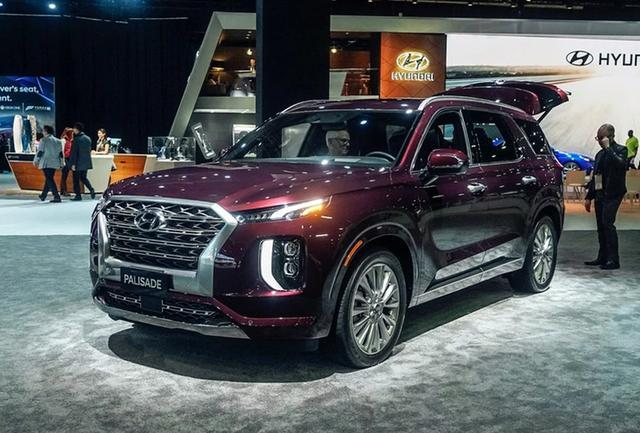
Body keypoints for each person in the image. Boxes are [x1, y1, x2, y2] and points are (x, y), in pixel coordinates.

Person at [584, 124, 628, 270]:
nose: (599, 141)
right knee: (601, 226)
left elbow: (621, 165)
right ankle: (602, 256)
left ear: (610, 137)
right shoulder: (599, 155)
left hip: (614, 193)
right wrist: (589, 196)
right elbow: (596, 176)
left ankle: (613, 260)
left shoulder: (621, 150)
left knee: (608, 224)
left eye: (601, 138)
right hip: (600, 194)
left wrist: (609, 149)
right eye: (597, 138)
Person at [33, 125, 64, 203]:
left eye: (43, 130)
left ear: (46, 131)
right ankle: (43, 195)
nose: (42, 132)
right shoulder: (58, 141)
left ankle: (56, 196)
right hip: (55, 163)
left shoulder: (43, 140)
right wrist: (61, 163)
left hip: (46, 162)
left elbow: (40, 152)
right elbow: (61, 153)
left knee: (49, 179)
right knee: (49, 179)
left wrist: (36, 160)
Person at [69, 122, 95, 201]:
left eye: (74, 129)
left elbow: (74, 153)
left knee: (76, 180)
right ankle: (91, 189)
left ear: (77, 129)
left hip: (78, 163)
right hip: (86, 162)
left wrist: (73, 164)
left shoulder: (76, 139)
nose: (73, 130)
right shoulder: (88, 138)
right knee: (83, 178)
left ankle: (78, 196)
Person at [59, 128, 73, 195]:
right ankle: (64, 191)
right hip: (65, 159)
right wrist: (63, 161)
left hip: (69, 159)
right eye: (71, 133)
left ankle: (62, 190)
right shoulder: (63, 140)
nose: (72, 134)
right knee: (64, 175)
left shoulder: (70, 140)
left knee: (65, 175)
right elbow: (62, 151)